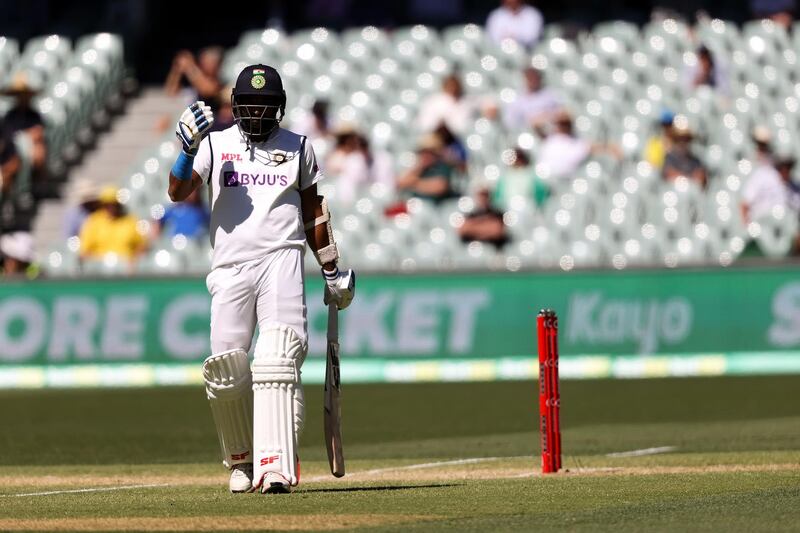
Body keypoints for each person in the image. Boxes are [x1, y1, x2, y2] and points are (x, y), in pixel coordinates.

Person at [166, 64, 355, 495]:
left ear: (280, 108)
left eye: (265, 107)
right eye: (248, 106)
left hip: (282, 259)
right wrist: (184, 150)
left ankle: (276, 466)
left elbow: (314, 213)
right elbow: (177, 193)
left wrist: (331, 270)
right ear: (234, 105)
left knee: (277, 357)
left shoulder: (299, 147)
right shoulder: (215, 144)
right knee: (226, 368)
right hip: (231, 267)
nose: (256, 115)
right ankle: (241, 460)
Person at [79, 186, 147, 265]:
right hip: (99, 270)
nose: (110, 207)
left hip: (126, 271)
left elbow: (141, 246)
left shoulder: (130, 220)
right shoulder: (93, 221)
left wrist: (134, 260)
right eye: (107, 204)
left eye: (113, 204)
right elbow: (84, 251)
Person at [741, 152, 800, 223]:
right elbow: (745, 204)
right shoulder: (763, 176)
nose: (785, 170)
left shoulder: (795, 187)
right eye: (782, 167)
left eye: (788, 167)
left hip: (786, 229)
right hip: (760, 227)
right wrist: (746, 225)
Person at [396, 133, 456, 203]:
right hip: (418, 207)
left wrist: (414, 183)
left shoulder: (443, 166)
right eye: (423, 152)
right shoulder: (418, 167)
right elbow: (400, 183)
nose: (425, 155)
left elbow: (439, 187)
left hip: (439, 208)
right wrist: (418, 169)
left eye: (429, 152)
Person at [165, 47, 224, 112]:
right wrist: (177, 68)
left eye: (209, 62)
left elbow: (206, 90)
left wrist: (189, 67)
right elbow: (171, 92)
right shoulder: (193, 78)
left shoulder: (219, 80)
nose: (204, 64)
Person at [536, 110, 591, 180]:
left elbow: (593, 148)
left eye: (564, 124)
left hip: (563, 180)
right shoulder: (550, 138)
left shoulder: (577, 144)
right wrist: (553, 115)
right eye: (558, 124)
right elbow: (534, 122)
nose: (560, 126)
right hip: (543, 177)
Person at [502, 67, 561, 132]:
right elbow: (510, 122)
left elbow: (561, 115)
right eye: (529, 78)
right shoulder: (517, 100)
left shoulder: (550, 95)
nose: (533, 80)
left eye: (534, 77)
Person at [325, 125, 370, 205]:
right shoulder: (336, 156)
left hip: (358, 193)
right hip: (339, 195)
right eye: (349, 138)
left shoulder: (357, 156)